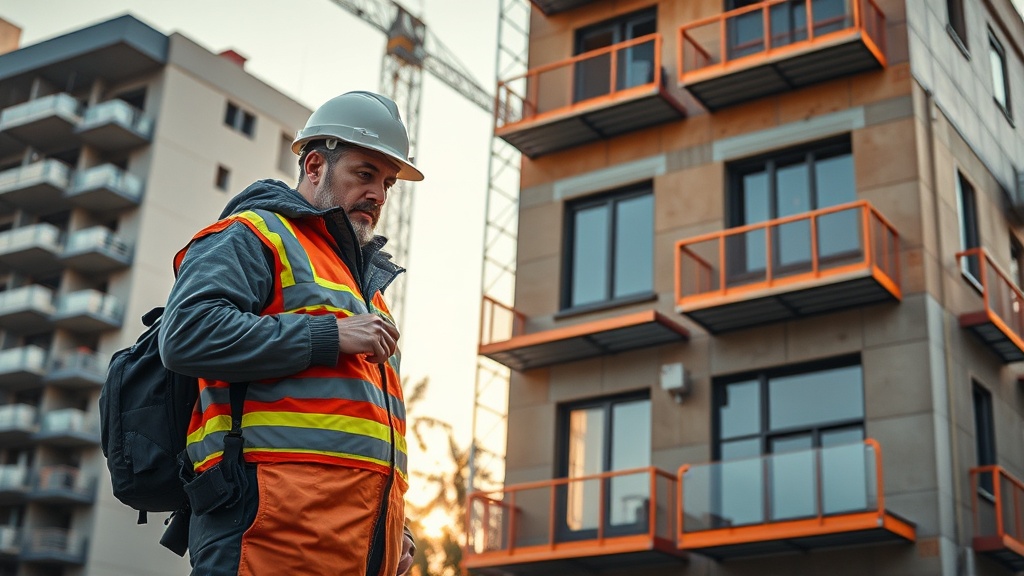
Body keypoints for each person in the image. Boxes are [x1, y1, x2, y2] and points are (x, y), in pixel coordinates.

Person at [159, 91, 422, 576]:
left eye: (387, 183)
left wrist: (394, 524)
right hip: (267, 544)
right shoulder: (253, 234)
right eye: (365, 174)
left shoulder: (364, 289)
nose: (379, 196)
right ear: (316, 165)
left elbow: (360, 431)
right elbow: (186, 334)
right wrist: (330, 336)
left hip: (351, 550)